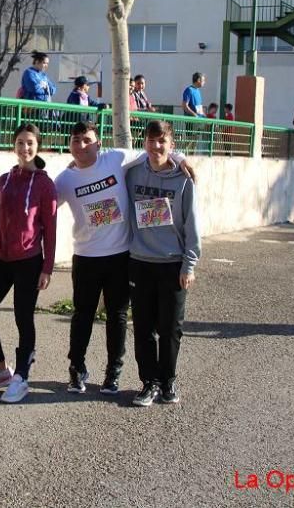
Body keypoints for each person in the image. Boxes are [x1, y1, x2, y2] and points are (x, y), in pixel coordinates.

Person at [54, 121, 191, 395]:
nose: (81, 145)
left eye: (87, 140)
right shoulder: (65, 179)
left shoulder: (115, 159)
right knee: (82, 316)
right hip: (85, 257)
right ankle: (77, 369)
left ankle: (113, 372)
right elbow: (43, 208)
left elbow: (153, 152)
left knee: (117, 317)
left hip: (120, 256)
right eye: (76, 140)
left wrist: (181, 158)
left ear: (98, 143)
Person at [126, 120, 200, 407]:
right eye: (151, 140)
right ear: (144, 142)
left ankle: (168, 380)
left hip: (172, 264)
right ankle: (149, 382)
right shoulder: (132, 172)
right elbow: (102, 159)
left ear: (171, 144)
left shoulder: (183, 180)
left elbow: (192, 224)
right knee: (143, 328)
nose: (156, 146)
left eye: (162, 141)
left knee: (170, 328)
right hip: (139, 262)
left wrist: (189, 264)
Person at [0, 123, 58, 403]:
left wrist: (47, 268)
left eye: (30, 143)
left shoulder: (44, 184)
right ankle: (1, 369)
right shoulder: (3, 179)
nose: (25, 148)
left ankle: (22, 375)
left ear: (38, 147)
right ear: (13, 145)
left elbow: (50, 229)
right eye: (20, 142)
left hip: (29, 261)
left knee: (22, 318)